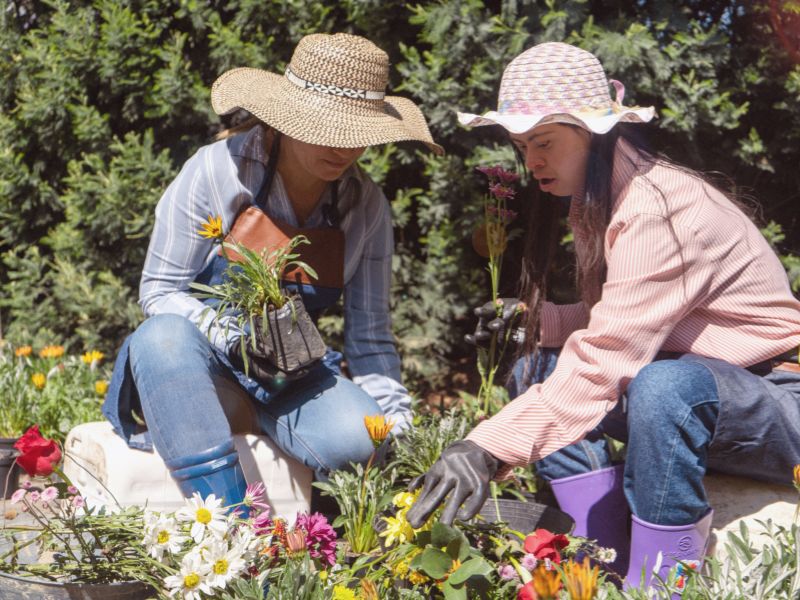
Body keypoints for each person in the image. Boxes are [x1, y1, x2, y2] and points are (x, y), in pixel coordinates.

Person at [406, 41, 800, 590]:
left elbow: (608, 360)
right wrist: (537, 323)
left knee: (665, 389)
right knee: (534, 369)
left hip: (778, 397)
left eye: (543, 142)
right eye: (521, 146)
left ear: (594, 132)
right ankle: (604, 556)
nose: (531, 162)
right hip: (715, 390)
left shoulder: (661, 209)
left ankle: (661, 582)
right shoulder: (605, 196)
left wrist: (486, 445)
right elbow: (618, 318)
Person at [102, 33, 442, 509]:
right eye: (326, 127)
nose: (343, 147)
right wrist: (236, 341)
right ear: (287, 118)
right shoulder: (216, 171)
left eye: (358, 135)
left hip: (289, 377)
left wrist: (399, 428)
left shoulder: (366, 207)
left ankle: (267, 432)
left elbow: (371, 340)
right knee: (160, 337)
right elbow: (160, 290)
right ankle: (232, 530)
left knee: (361, 439)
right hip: (194, 365)